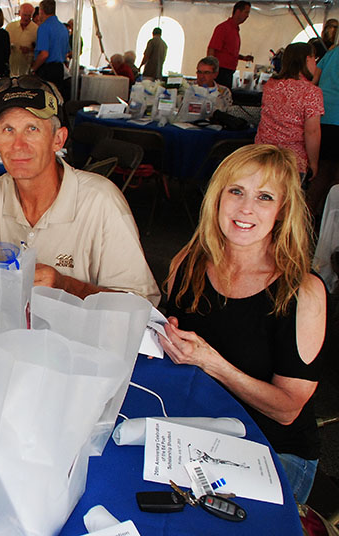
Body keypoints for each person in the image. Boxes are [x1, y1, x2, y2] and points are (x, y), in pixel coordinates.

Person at [161, 144, 326, 503]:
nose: (246, 208)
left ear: (282, 211)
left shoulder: (302, 291)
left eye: (264, 197)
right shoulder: (187, 263)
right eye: (236, 191)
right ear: (218, 198)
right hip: (194, 428)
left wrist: (211, 362)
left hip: (273, 448)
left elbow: (287, 410)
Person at [0, 76, 160, 304]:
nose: (18, 145)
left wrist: (68, 286)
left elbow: (141, 305)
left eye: (32, 129)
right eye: (8, 130)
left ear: (58, 139)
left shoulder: (101, 202)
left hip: (75, 332)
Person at [255, 42, 323, 178]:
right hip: (292, 161)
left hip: (263, 154)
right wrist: (313, 163)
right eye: (314, 59)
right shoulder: (311, 92)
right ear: (308, 59)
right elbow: (312, 131)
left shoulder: (270, 85)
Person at [308, 38, 339, 221]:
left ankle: (306, 218)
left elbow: (314, 79)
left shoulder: (332, 53)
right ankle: (330, 223)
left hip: (323, 116)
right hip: (337, 118)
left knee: (321, 172)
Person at [208, 1, 254, 88]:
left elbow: (230, 53)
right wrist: (210, 71)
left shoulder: (235, 30)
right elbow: (212, 49)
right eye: (246, 12)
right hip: (220, 72)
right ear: (238, 12)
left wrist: (243, 58)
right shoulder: (223, 28)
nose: (247, 16)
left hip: (228, 72)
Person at [31, 0, 69, 98]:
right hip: (59, 69)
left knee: (44, 99)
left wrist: (33, 69)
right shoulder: (63, 28)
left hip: (47, 70)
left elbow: (44, 54)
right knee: (56, 98)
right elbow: (67, 53)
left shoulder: (44, 27)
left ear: (41, 11)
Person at [5, 3, 38, 77]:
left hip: (27, 70)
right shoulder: (10, 27)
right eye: (24, 15)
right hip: (11, 68)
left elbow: (39, 50)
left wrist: (29, 50)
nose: (26, 18)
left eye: (29, 16)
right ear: (19, 13)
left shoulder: (36, 30)